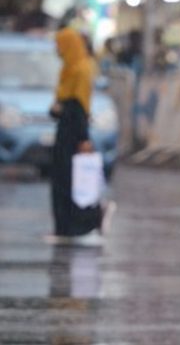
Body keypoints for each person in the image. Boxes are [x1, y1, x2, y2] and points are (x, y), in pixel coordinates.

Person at [46, 27, 114, 246]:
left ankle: (90, 219)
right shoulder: (68, 69)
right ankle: (65, 228)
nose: (57, 50)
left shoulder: (83, 69)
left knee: (73, 181)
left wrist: (84, 139)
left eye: (60, 45)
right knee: (62, 179)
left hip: (74, 133)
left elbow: (79, 108)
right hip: (64, 132)